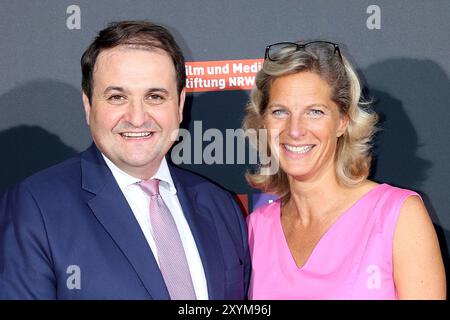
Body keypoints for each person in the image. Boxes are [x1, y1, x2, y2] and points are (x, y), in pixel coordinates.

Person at [0, 21, 250, 299]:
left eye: (155, 96)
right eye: (117, 97)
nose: (137, 117)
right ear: (88, 106)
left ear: (179, 106)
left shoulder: (220, 206)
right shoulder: (36, 208)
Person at [243, 41, 446, 299]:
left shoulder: (397, 215)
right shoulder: (254, 230)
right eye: (280, 111)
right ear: (263, 122)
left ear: (342, 121)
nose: (294, 130)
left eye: (315, 112)